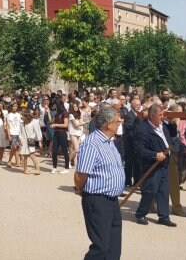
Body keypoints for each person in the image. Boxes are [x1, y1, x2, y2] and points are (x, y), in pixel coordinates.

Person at [74, 107, 125, 260]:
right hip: (97, 200)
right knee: (101, 246)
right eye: (117, 121)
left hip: (112, 200)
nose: (120, 124)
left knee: (114, 246)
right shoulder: (92, 144)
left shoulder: (110, 142)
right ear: (108, 124)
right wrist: (80, 189)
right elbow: (81, 174)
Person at [134, 104, 177, 227]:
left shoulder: (164, 126)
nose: (162, 117)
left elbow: (173, 135)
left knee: (164, 191)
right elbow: (140, 150)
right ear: (152, 116)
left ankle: (164, 216)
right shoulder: (143, 129)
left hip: (164, 164)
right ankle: (140, 213)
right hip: (151, 165)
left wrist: (173, 123)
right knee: (150, 190)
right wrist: (154, 155)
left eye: (163, 114)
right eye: (160, 115)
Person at [19, 110, 42, 175]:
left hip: (30, 140)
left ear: (27, 116)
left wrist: (39, 141)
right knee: (25, 155)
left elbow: (36, 132)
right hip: (24, 141)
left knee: (32, 155)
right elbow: (19, 132)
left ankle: (38, 169)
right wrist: (20, 139)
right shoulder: (21, 124)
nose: (22, 117)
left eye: (23, 116)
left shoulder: (32, 123)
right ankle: (25, 169)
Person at [50, 99, 70, 174]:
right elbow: (51, 121)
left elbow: (65, 125)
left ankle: (66, 167)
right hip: (56, 133)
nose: (54, 106)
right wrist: (49, 112)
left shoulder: (65, 113)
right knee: (54, 151)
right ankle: (54, 167)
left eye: (55, 104)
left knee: (64, 150)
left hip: (62, 133)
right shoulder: (57, 113)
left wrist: (56, 125)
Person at [5, 103, 22, 168]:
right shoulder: (8, 115)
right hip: (12, 133)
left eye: (16, 106)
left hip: (18, 133)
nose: (15, 107)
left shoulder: (19, 115)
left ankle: (17, 162)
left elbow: (21, 124)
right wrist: (8, 135)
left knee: (17, 148)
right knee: (14, 147)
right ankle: (9, 161)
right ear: (11, 107)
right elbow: (7, 126)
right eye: (14, 106)